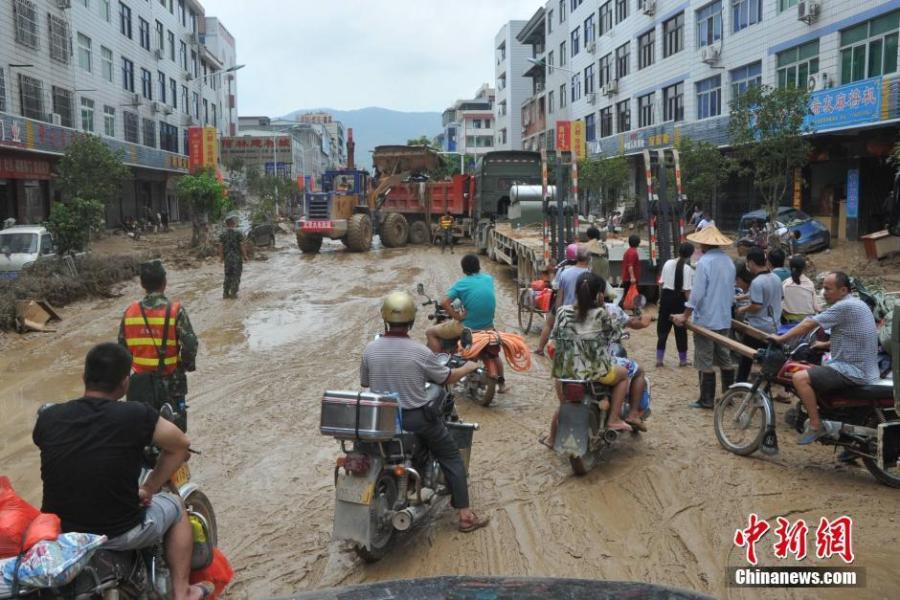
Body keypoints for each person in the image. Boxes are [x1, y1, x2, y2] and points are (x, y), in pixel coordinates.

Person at [33, 343, 212, 600]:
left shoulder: (49, 418)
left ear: (84, 378)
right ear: (125, 382)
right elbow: (180, 444)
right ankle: (182, 592)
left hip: (61, 532)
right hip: (118, 532)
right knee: (174, 506)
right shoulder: (135, 415)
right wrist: (150, 487)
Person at [361, 292, 490, 533]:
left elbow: (366, 382)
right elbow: (446, 377)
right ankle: (465, 517)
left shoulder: (371, 349)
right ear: (411, 321)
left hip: (381, 421)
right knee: (451, 456)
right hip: (414, 419)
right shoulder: (419, 352)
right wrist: (468, 367)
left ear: (385, 319)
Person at [768, 272, 880, 444]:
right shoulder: (858, 303)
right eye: (822, 288)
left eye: (828, 289)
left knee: (800, 378)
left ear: (843, 290)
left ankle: (815, 424)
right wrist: (824, 345)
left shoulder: (844, 306)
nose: (823, 292)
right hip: (866, 368)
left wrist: (781, 338)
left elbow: (809, 323)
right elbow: (854, 336)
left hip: (852, 370)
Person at [545, 272, 634, 442]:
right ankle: (614, 418)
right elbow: (614, 335)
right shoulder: (601, 314)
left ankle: (551, 439)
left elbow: (553, 340)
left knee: (564, 406)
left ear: (577, 291)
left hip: (565, 374)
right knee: (624, 376)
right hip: (597, 372)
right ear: (600, 295)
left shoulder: (562, 312)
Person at [118, 260, 198, 431]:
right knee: (175, 432)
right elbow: (190, 345)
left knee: (140, 431)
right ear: (164, 282)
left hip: (139, 384)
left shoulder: (129, 312)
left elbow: (121, 351)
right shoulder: (176, 311)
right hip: (171, 382)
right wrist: (185, 366)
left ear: (142, 284)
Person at [672, 226, 736, 409]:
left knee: (705, 358)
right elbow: (731, 291)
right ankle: (729, 396)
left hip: (707, 318)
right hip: (724, 316)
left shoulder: (704, 263)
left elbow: (697, 294)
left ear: (703, 243)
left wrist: (685, 315)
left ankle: (706, 399)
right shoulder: (729, 262)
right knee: (724, 356)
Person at [425, 254, 507, 392]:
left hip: (467, 327)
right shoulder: (488, 279)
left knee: (430, 332)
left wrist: (456, 316)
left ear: (463, 269)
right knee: (495, 355)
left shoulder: (461, 284)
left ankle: (437, 372)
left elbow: (444, 302)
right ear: (478, 266)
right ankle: (502, 384)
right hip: (488, 326)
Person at [604, 292, 652, 430]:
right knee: (637, 371)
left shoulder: (567, 311)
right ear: (600, 295)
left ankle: (552, 437)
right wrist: (643, 321)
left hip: (574, 365)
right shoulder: (610, 310)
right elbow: (632, 322)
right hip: (600, 364)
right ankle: (632, 414)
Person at [735, 247, 783, 382]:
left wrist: (742, 309)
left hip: (758, 326)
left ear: (750, 262)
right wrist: (739, 298)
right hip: (775, 325)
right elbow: (775, 297)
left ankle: (741, 383)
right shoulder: (775, 278)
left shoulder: (757, 282)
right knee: (772, 358)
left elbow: (757, 305)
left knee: (746, 357)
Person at [534, 244, 590, 356]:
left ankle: (540, 349)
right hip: (583, 307)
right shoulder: (589, 271)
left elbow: (556, 288)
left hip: (565, 305)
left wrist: (559, 311)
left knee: (549, 324)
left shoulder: (563, 270)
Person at [657, 242, 694, 367]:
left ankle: (659, 360)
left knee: (662, 330)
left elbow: (661, 283)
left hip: (666, 298)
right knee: (681, 332)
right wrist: (690, 308)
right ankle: (682, 361)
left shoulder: (667, 263)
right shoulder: (688, 269)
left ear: (678, 251)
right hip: (679, 300)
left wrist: (660, 299)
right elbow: (687, 291)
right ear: (690, 255)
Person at [782, 255, 821, 324]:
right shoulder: (809, 284)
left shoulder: (785, 284)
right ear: (804, 268)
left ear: (790, 268)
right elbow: (816, 307)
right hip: (808, 322)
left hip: (789, 323)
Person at [218, 212, 249, 299]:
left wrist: (221, 258)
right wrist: (245, 256)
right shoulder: (238, 233)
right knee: (236, 275)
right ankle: (233, 294)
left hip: (227, 259)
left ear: (227, 224)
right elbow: (242, 245)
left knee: (227, 275)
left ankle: (225, 293)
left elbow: (220, 247)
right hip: (237, 259)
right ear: (233, 223)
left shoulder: (222, 235)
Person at [619, 235, 641, 308]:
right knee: (630, 294)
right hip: (630, 278)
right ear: (638, 243)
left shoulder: (629, 251)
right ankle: (633, 309)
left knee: (628, 294)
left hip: (627, 277)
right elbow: (630, 266)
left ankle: (625, 307)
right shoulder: (633, 253)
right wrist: (632, 277)